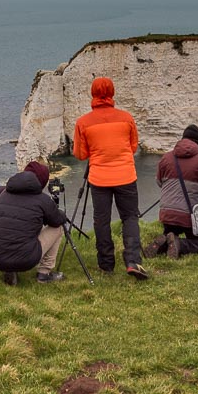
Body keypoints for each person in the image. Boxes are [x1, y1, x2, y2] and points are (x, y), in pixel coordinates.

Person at [72, 77, 148, 279]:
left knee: (101, 220)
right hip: (125, 175)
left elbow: (80, 154)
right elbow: (132, 147)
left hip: (99, 179)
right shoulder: (127, 118)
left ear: (93, 94)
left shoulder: (83, 122)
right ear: (112, 93)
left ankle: (106, 264)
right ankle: (133, 260)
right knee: (130, 216)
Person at [0, 161, 68, 285]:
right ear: (40, 182)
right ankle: (44, 274)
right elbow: (56, 221)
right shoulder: (43, 200)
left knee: (13, 230)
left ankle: (10, 271)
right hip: (27, 260)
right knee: (57, 228)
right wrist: (60, 213)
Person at [146, 125, 198, 260]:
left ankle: (162, 243)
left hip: (167, 213)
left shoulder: (166, 157)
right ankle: (179, 243)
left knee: (170, 234)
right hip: (189, 215)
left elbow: (159, 182)